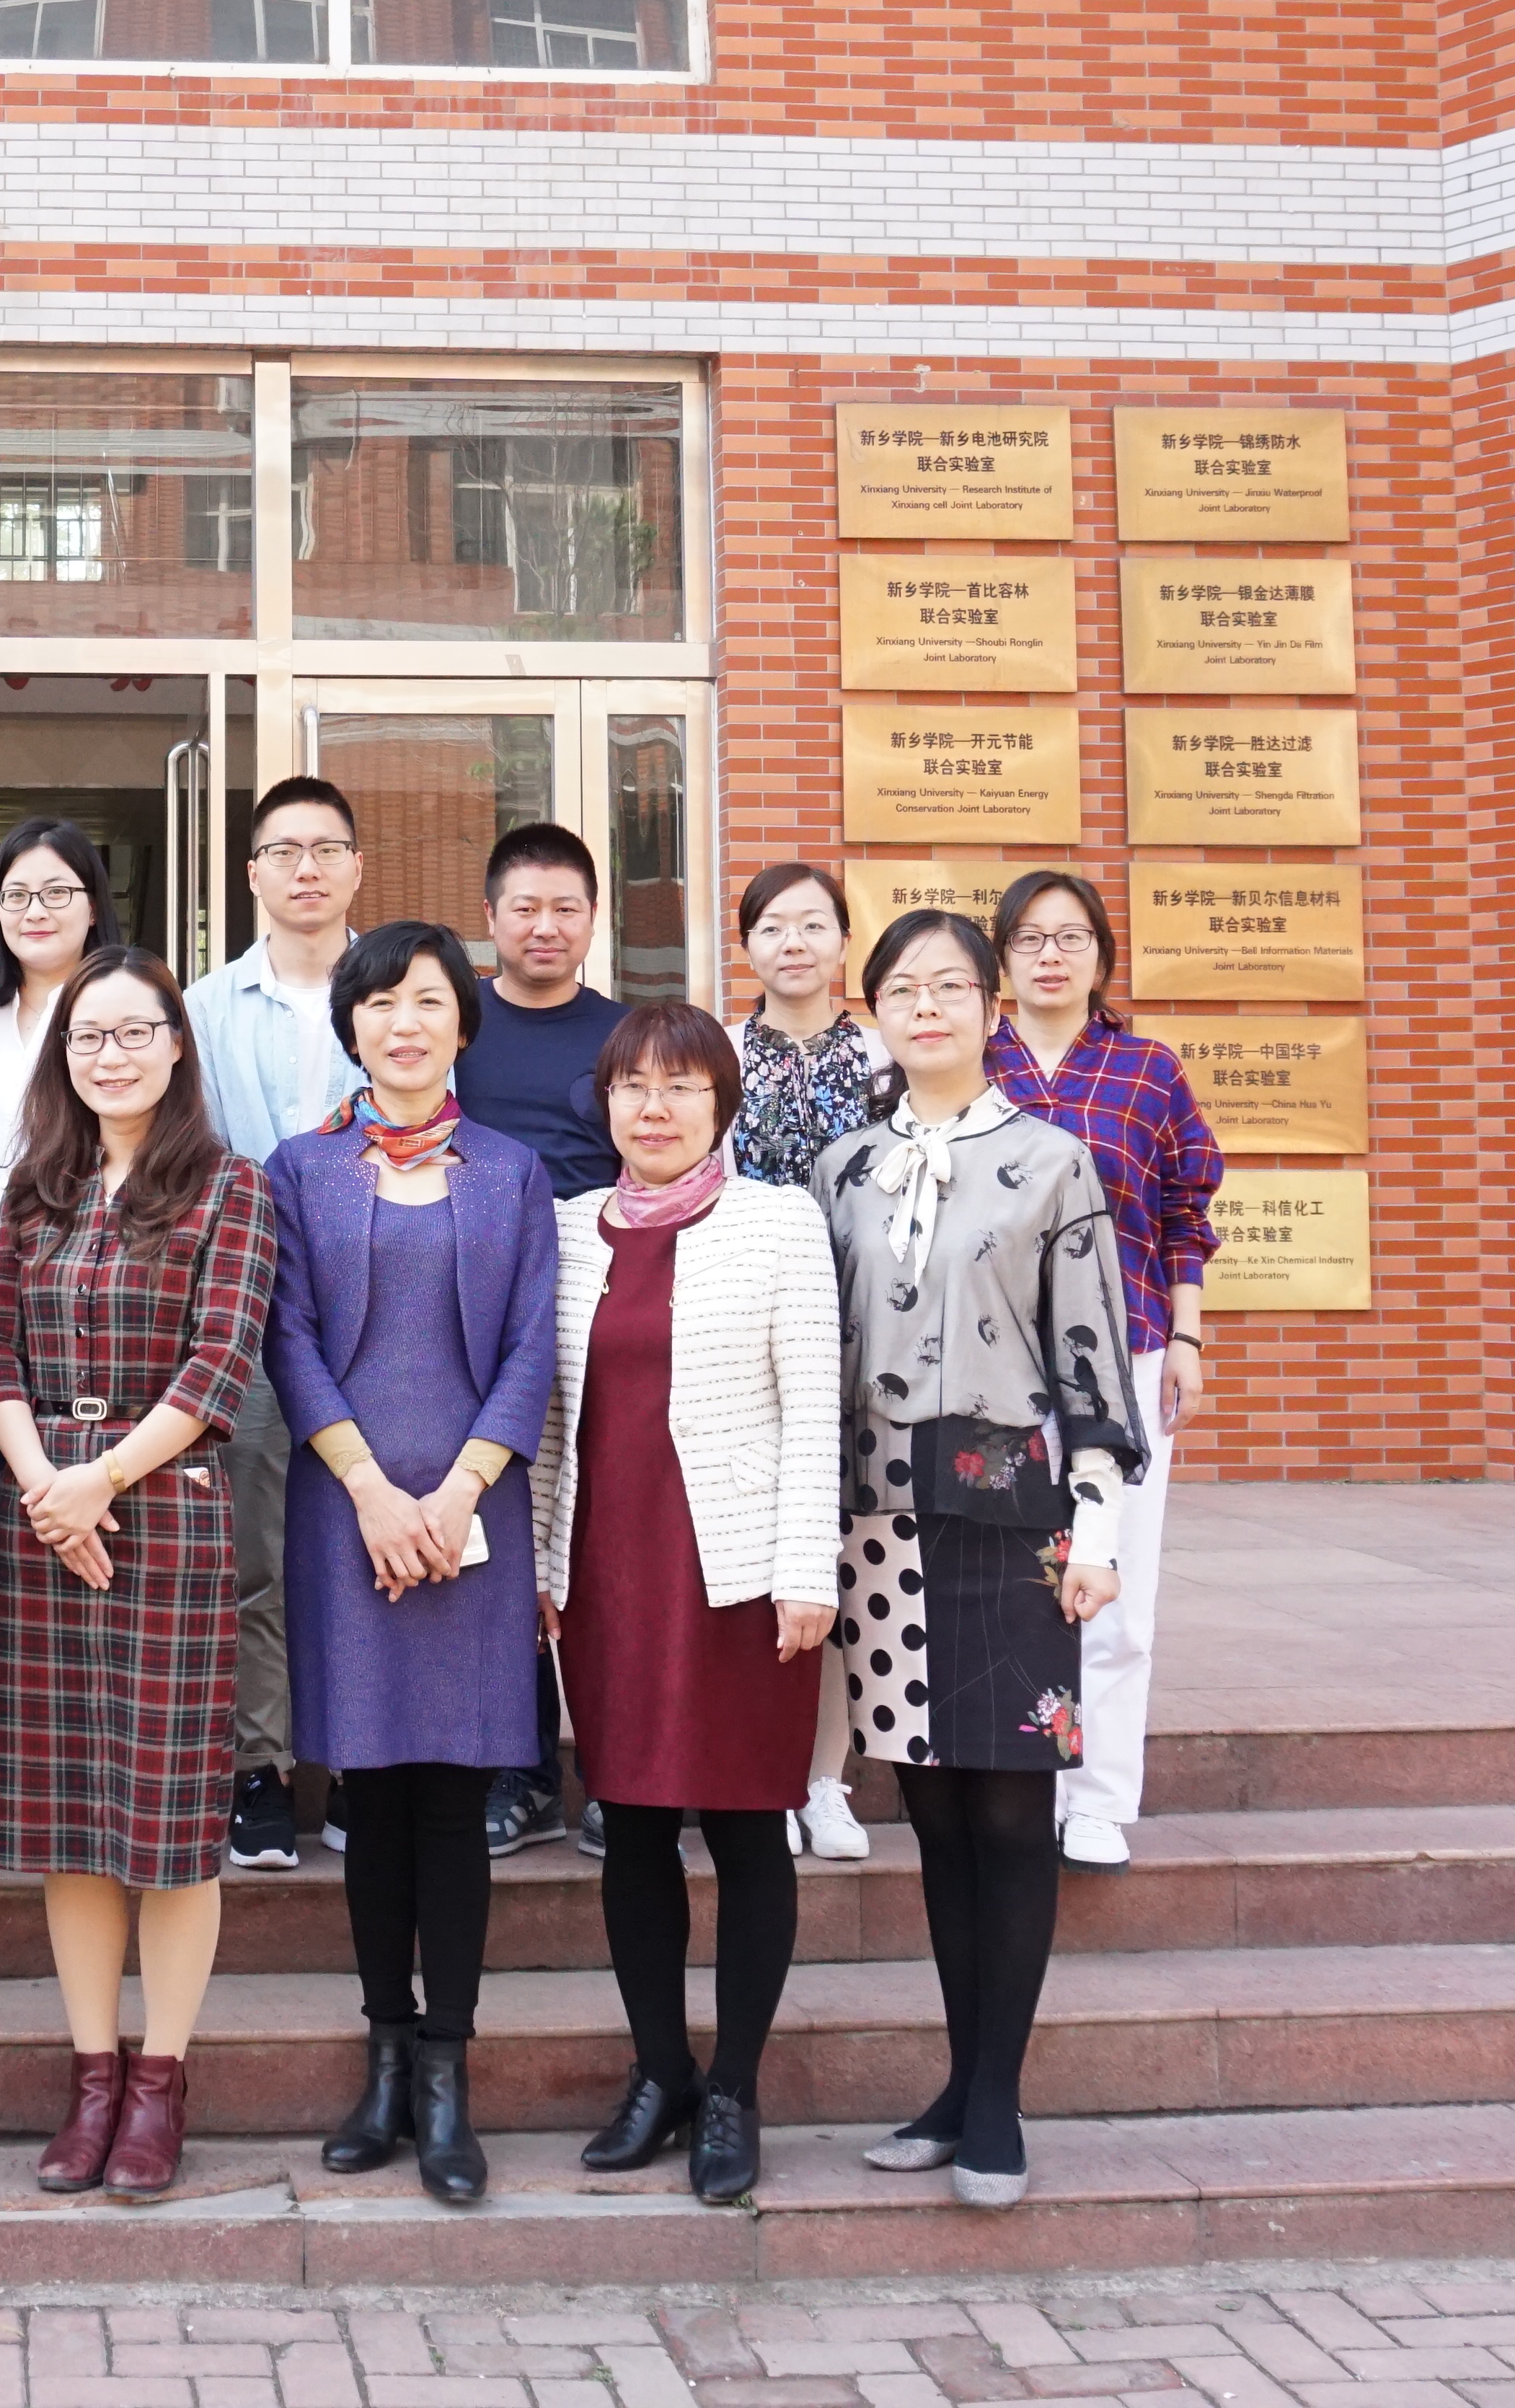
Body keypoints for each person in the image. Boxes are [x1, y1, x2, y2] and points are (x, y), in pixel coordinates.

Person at [810, 909, 1139, 2210]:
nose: (928, 1005)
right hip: (878, 1517)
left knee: (1011, 1809)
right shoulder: (840, 1167)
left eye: (952, 985)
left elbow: (1093, 1358)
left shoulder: (1055, 1162)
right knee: (934, 1814)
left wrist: (1099, 1525)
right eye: (903, 988)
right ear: (873, 1009)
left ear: (990, 1001)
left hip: (1010, 1511)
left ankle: (998, 2097)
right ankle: (958, 2080)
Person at [260, 919, 555, 2207]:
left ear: (462, 1023)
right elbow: (290, 1339)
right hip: (348, 1511)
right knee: (368, 1794)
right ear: (353, 1026)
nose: (404, 1022)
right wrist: (377, 1492)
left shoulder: (514, 1171)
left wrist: (456, 1492)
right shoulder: (299, 1168)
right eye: (379, 1002)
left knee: (451, 1799)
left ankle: (448, 2073)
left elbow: (536, 1350)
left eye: (428, 1000)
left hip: (473, 1522)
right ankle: (383, 2055)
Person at [0, 949, 280, 2203]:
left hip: (166, 1518)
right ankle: (91, 2077)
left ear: (175, 1045)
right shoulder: (34, 1193)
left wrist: (96, 1482)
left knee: (168, 1822)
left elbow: (220, 1370)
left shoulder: (229, 1187)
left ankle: (161, 2082)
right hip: (51, 1519)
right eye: (87, 1036)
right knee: (70, 1823)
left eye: (133, 1032)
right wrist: (49, 1486)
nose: (109, 1054)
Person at [534, 999, 843, 2206]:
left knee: (749, 1827)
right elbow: (549, 1414)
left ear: (721, 1106)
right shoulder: (566, 1232)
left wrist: (807, 1569)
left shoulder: (777, 1225)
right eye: (631, 1087)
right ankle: (659, 2075)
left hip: (739, 1574)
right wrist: (545, 1572)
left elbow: (815, 1406)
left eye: (680, 1089)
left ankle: (736, 2093)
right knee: (632, 1824)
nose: (652, 1110)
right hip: (611, 1570)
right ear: (605, 1102)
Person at [985, 869, 1221, 1876]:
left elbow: (1183, 1212)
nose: (1050, 954)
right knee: (1006, 1584)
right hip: (990, 1372)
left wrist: (1191, 1340)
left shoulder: (1146, 1073)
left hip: (1123, 1360)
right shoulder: (966, 1063)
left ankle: (1098, 1797)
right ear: (999, 960)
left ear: (1100, 956)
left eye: (1070, 937)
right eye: (1030, 938)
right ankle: (1014, 1781)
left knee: (1112, 1576)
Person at [181, 775, 366, 1874]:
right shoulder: (202, 1010)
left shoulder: (400, 992)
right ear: (252, 875)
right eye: (283, 851)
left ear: (355, 867)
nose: (305, 868)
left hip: (375, 1315)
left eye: (325, 848)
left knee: (352, 1545)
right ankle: (258, 1766)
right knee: (251, 1554)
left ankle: (348, 1759)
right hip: (245, 1313)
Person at [450, 821, 624, 1858]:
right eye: (526, 907)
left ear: (594, 920)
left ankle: (610, 1765)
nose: (546, 926)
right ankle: (519, 1773)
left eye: (566, 908)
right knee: (507, 1546)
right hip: (477, 1310)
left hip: (606, 1308)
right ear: (492, 919)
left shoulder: (629, 1035)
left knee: (597, 1544)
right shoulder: (457, 1026)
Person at [727, 859, 891, 1864]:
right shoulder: (719, 1052)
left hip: (865, 1333)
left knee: (835, 1559)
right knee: (753, 1556)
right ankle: (765, 1775)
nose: (793, 943)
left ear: (842, 942)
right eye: (772, 927)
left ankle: (827, 1779)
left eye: (813, 925)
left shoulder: (883, 1056)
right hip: (744, 1331)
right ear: (745, 944)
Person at [0, 816, 123, 1302]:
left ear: (94, 908)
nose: (34, 911)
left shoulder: (129, 1019)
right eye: (16, 895)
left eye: (56, 893)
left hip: (98, 1279)